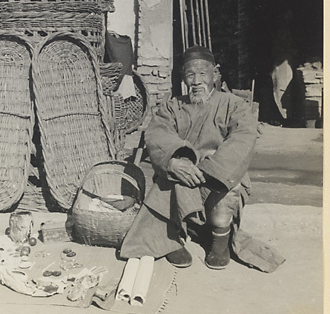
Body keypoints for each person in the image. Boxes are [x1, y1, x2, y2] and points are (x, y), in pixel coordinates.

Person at [120, 45, 285, 273]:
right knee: (169, 177)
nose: (196, 81)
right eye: (190, 75)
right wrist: (174, 161)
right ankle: (172, 239)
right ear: (183, 79)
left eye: (203, 74)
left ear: (215, 75)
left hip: (216, 176)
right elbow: (158, 133)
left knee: (229, 182)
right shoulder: (172, 107)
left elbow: (243, 138)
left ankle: (220, 242)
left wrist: (208, 169)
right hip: (182, 175)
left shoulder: (234, 105)